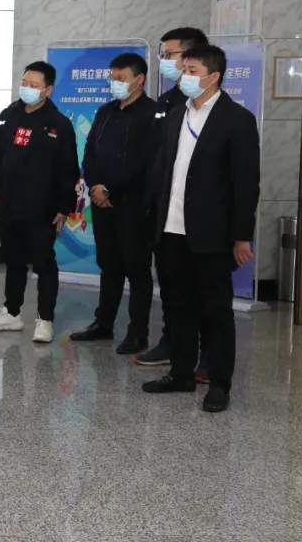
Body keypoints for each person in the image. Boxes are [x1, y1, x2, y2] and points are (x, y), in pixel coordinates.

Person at [142, 44, 259, 413]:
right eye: (184, 69)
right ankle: (180, 374)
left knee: (215, 312)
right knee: (177, 307)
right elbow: (162, 169)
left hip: (211, 234)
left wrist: (242, 235)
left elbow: (246, 184)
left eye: (192, 70)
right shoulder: (177, 113)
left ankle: (219, 384)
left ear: (213, 77)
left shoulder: (237, 120)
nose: (184, 76)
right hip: (170, 230)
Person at [0, 61, 79, 344]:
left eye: (34, 85)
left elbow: (68, 170)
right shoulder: (7, 115)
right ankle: (11, 313)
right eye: (25, 83)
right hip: (8, 204)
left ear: (48, 90)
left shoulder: (59, 124)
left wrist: (64, 207)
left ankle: (44, 319)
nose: (27, 88)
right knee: (13, 260)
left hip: (42, 208)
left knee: (44, 263)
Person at [70, 53, 156, 354]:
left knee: (137, 268)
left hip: (134, 204)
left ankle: (138, 332)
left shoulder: (153, 114)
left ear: (139, 80)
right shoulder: (106, 111)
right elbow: (90, 152)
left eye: (121, 78)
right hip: (102, 202)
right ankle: (103, 323)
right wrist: (96, 186)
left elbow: (147, 162)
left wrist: (111, 189)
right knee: (109, 265)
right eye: (113, 78)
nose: (115, 83)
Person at [135, 27, 209, 367]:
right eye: (162, 55)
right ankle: (172, 343)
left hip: (197, 216)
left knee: (201, 290)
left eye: (170, 55)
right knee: (170, 285)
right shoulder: (166, 102)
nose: (164, 61)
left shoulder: (208, 105)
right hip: (163, 213)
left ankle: (206, 353)